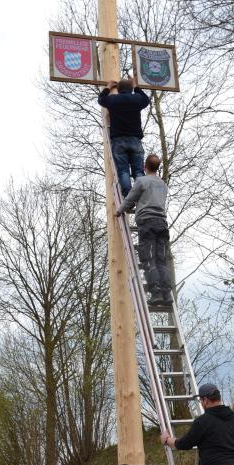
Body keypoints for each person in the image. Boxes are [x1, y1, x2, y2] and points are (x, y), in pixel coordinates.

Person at [115, 154, 172, 306]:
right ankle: (167, 294)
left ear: (145, 167)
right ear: (157, 168)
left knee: (148, 258)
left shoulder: (141, 181)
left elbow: (130, 199)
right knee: (161, 260)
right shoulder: (163, 185)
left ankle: (156, 293)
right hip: (162, 224)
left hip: (147, 223)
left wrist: (119, 211)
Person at [98, 75, 150, 197]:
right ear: (131, 89)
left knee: (123, 171)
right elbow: (146, 99)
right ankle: (141, 194)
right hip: (135, 140)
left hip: (119, 140)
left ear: (118, 89)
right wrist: (136, 86)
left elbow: (101, 99)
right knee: (138, 170)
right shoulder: (136, 99)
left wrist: (108, 87)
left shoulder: (113, 100)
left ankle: (127, 195)